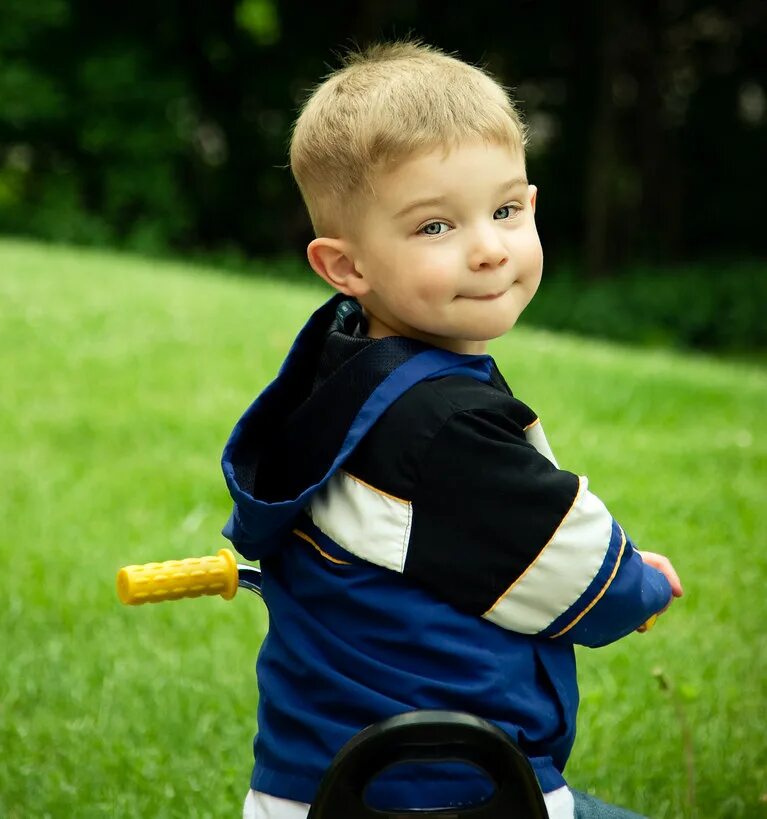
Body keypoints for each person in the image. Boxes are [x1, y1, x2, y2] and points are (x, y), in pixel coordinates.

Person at [219, 41, 684, 819]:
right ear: (346, 267)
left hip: (313, 777)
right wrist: (636, 584)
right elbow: (576, 571)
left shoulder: (340, 367)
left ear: (531, 204)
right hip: (437, 787)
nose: (488, 249)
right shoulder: (442, 429)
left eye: (504, 211)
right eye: (435, 226)